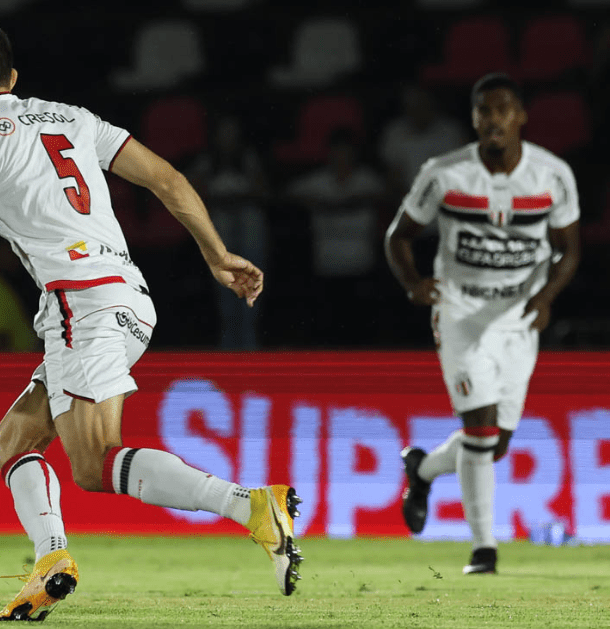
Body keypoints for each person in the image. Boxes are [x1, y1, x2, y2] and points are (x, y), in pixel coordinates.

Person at [0, 22, 301, 621]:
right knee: (15, 438)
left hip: (79, 303)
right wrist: (216, 253)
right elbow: (167, 178)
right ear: (12, 78)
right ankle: (51, 560)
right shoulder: (73, 118)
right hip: (128, 298)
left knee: (93, 463)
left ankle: (250, 505)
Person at [385, 73, 580, 575]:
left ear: (521, 117)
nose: (493, 120)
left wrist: (549, 296)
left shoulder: (552, 175)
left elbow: (569, 248)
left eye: (502, 111)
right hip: (460, 311)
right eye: (483, 112)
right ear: (474, 120)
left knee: (495, 444)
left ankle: (423, 469)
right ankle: (484, 548)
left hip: (518, 317)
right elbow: (398, 237)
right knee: (480, 426)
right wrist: (413, 284)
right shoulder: (444, 174)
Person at [285, 129, 387, 345]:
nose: (341, 157)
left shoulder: (366, 180)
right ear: (329, 154)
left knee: (359, 331)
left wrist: (358, 200)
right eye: (337, 152)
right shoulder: (317, 181)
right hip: (327, 265)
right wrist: (316, 201)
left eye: (346, 152)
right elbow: (288, 192)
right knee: (329, 332)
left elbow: (387, 193)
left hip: (360, 264)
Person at [188, 114, 269, 349]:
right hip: (220, 234)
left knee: (250, 220)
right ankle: (228, 350)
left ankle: (250, 345)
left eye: (232, 133)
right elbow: (191, 196)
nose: (228, 138)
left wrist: (240, 196)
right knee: (226, 298)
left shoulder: (249, 159)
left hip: (248, 232)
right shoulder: (206, 162)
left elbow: (263, 191)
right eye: (223, 133)